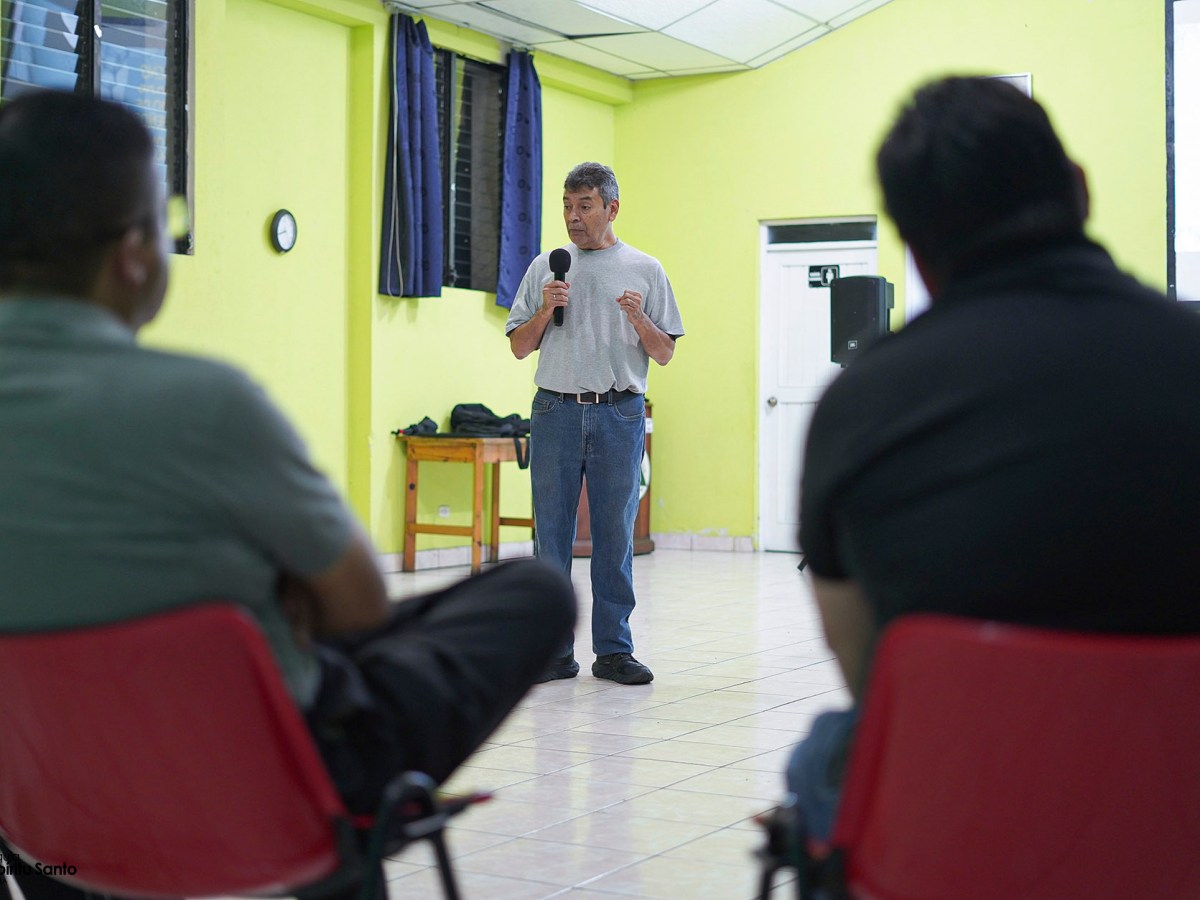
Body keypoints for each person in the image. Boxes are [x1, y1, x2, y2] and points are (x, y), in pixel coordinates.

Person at [0, 89, 575, 898]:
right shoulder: (206, 403)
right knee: (534, 592)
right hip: (260, 801)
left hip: (47, 831)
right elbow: (362, 606)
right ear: (133, 253)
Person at [789, 75, 1200, 840]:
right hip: (1178, 822)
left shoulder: (861, 403)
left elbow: (866, 674)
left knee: (821, 752)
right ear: (1081, 189)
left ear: (914, 246)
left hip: (964, 829)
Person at [505, 162, 684, 685]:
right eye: (567, 206)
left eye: (584, 206)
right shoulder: (546, 266)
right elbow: (519, 347)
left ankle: (613, 651)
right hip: (555, 410)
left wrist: (639, 319)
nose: (573, 217)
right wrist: (545, 310)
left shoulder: (646, 269)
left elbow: (665, 352)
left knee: (614, 536)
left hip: (619, 412)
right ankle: (554, 653)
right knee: (551, 536)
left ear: (612, 208)